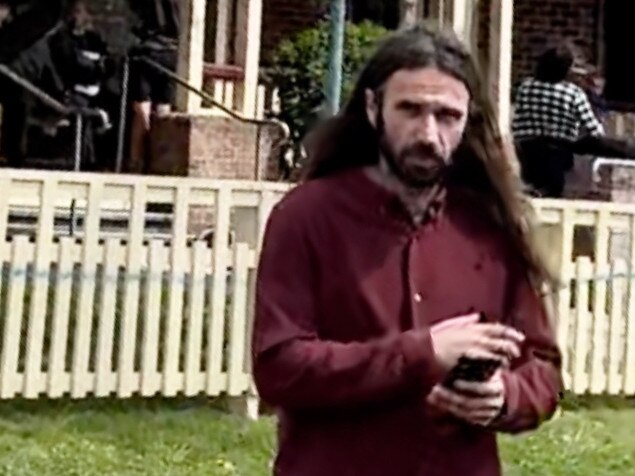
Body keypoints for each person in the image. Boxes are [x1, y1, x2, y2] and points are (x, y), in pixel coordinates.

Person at [252, 24, 563, 476]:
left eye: (447, 116)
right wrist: (423, 354)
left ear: (467, 118)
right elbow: (280, 367)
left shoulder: (490, 226)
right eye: (410, 110)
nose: (428, 133)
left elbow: (543, 369)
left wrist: (503, 397)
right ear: (374, 108)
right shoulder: (306, 217)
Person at [512, 43, 605, 198]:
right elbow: (594, 130)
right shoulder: (573, 93)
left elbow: (518, 118)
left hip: (526, 152)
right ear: (565, 70)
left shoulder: (525, 87)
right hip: (558, 154)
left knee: (527, 195)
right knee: (554, 197)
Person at [126, 0, 180, 173]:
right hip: (161, 52)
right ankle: (143, 161)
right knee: (152, 111)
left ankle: (142, 161)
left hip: (159, 52)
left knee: (152, 111)